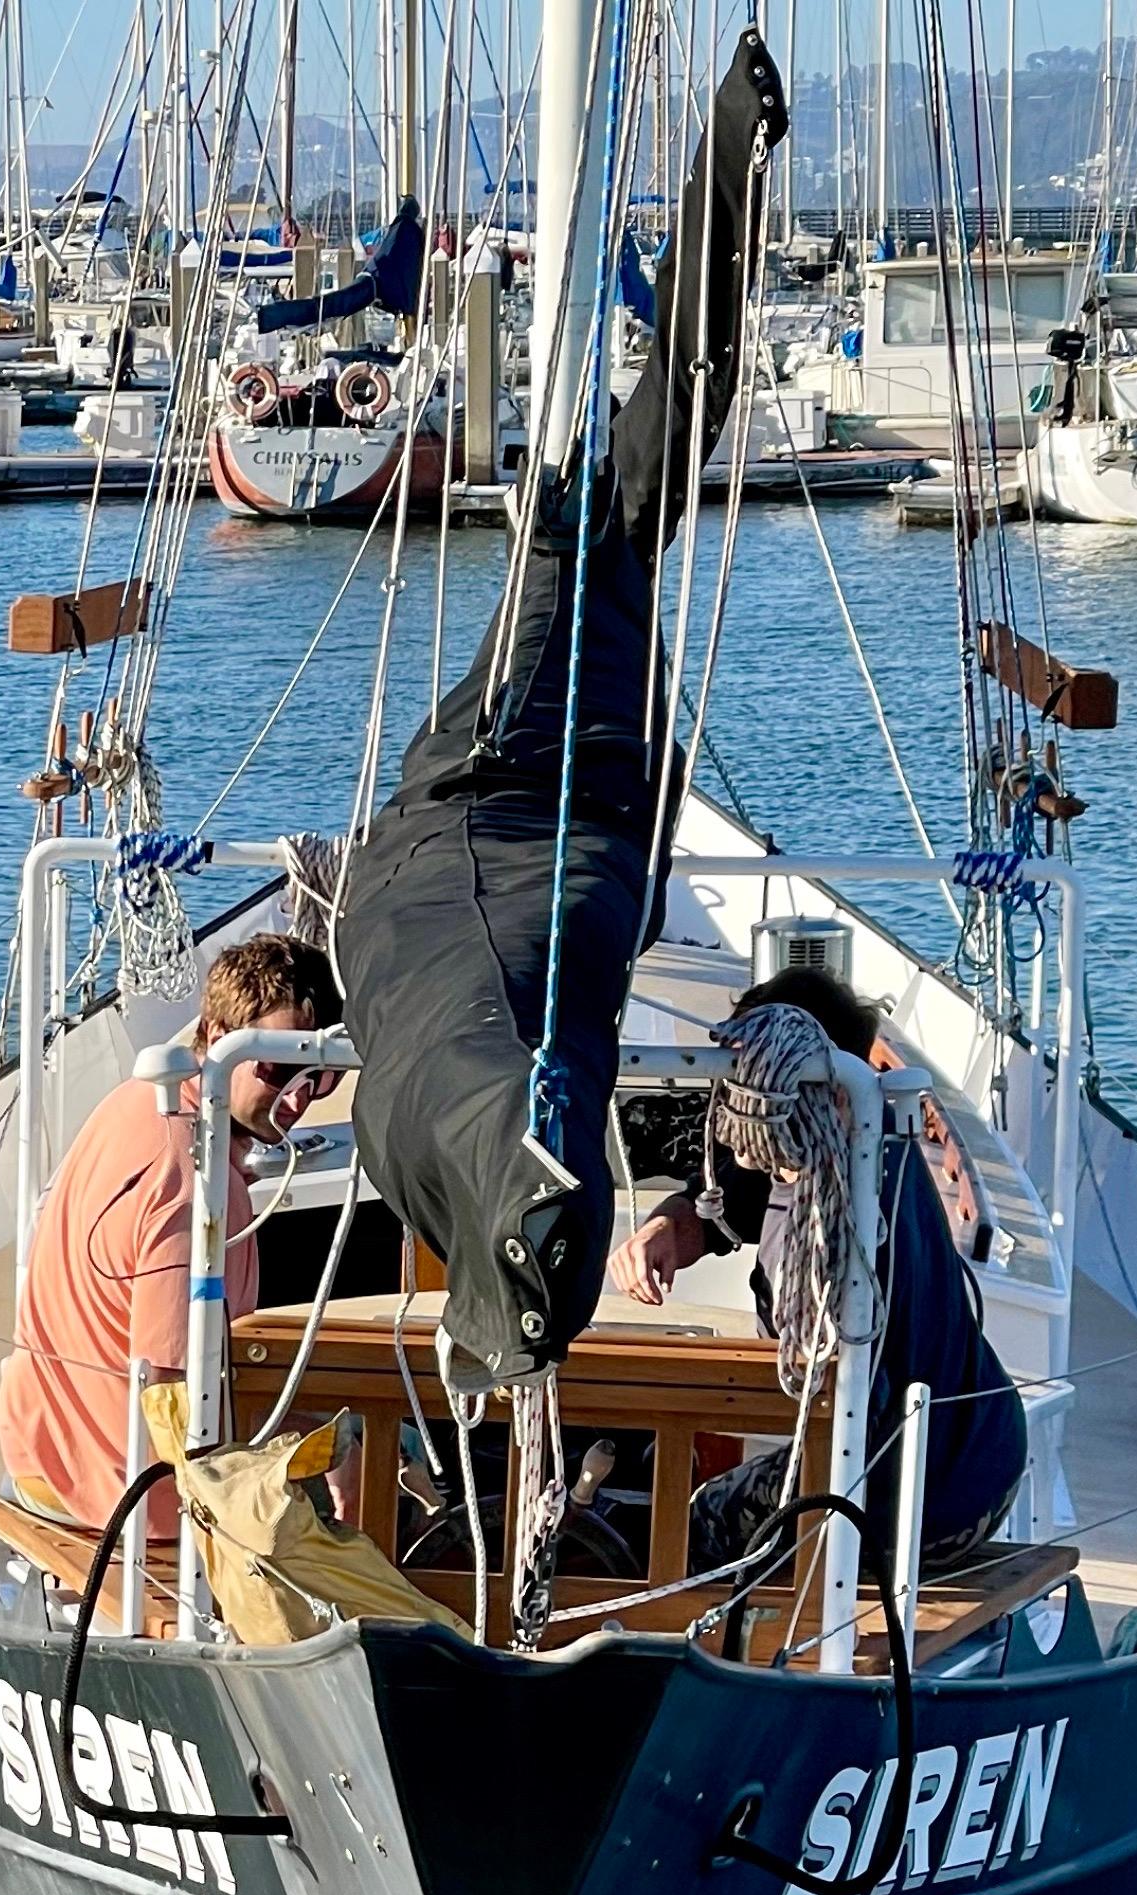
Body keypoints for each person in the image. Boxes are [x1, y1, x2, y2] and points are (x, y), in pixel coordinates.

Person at [331, 31, 789, 1391]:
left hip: (507, 788)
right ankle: (520, 1202)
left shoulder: (586, 576)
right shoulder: (612, 569)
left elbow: (450, 1017)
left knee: (521, 970)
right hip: (586, 799)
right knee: (616, 517)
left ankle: (520, 1205)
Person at [606, 967, 1028, 1576]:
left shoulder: (851, 1221)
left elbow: (839, 1407)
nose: (733, 1102)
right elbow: (735, 1195)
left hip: (920, 1501)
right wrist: (669, 1226)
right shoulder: (855, 1146)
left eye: (751, 1083)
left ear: (819, 1087)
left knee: (673, 1530)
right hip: (987, 1453)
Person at [0, 933, 344, 1529]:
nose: (297, 1099)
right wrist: (335, 1450)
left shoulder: (139, 1103)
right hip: (125, 1496)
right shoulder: (193, 1183)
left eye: (321, 1077)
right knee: (382, 1450)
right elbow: (176, 1399)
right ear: (213, 1036)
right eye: (279, 1070)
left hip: (45, 1450)